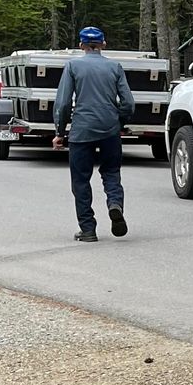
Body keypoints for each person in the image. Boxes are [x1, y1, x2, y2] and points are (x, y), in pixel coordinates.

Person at [53, 26, 134, 243]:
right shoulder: (115, 66)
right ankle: (114, 204)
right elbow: (128, 103)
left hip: (82, 130)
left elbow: (62, 103)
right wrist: (120, 122)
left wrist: (60, 131)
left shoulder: (72, 66)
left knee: (80, 180)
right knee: (111, 172)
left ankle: (88, 229)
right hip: (110, 129)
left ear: (81, 45)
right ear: (103, 44)